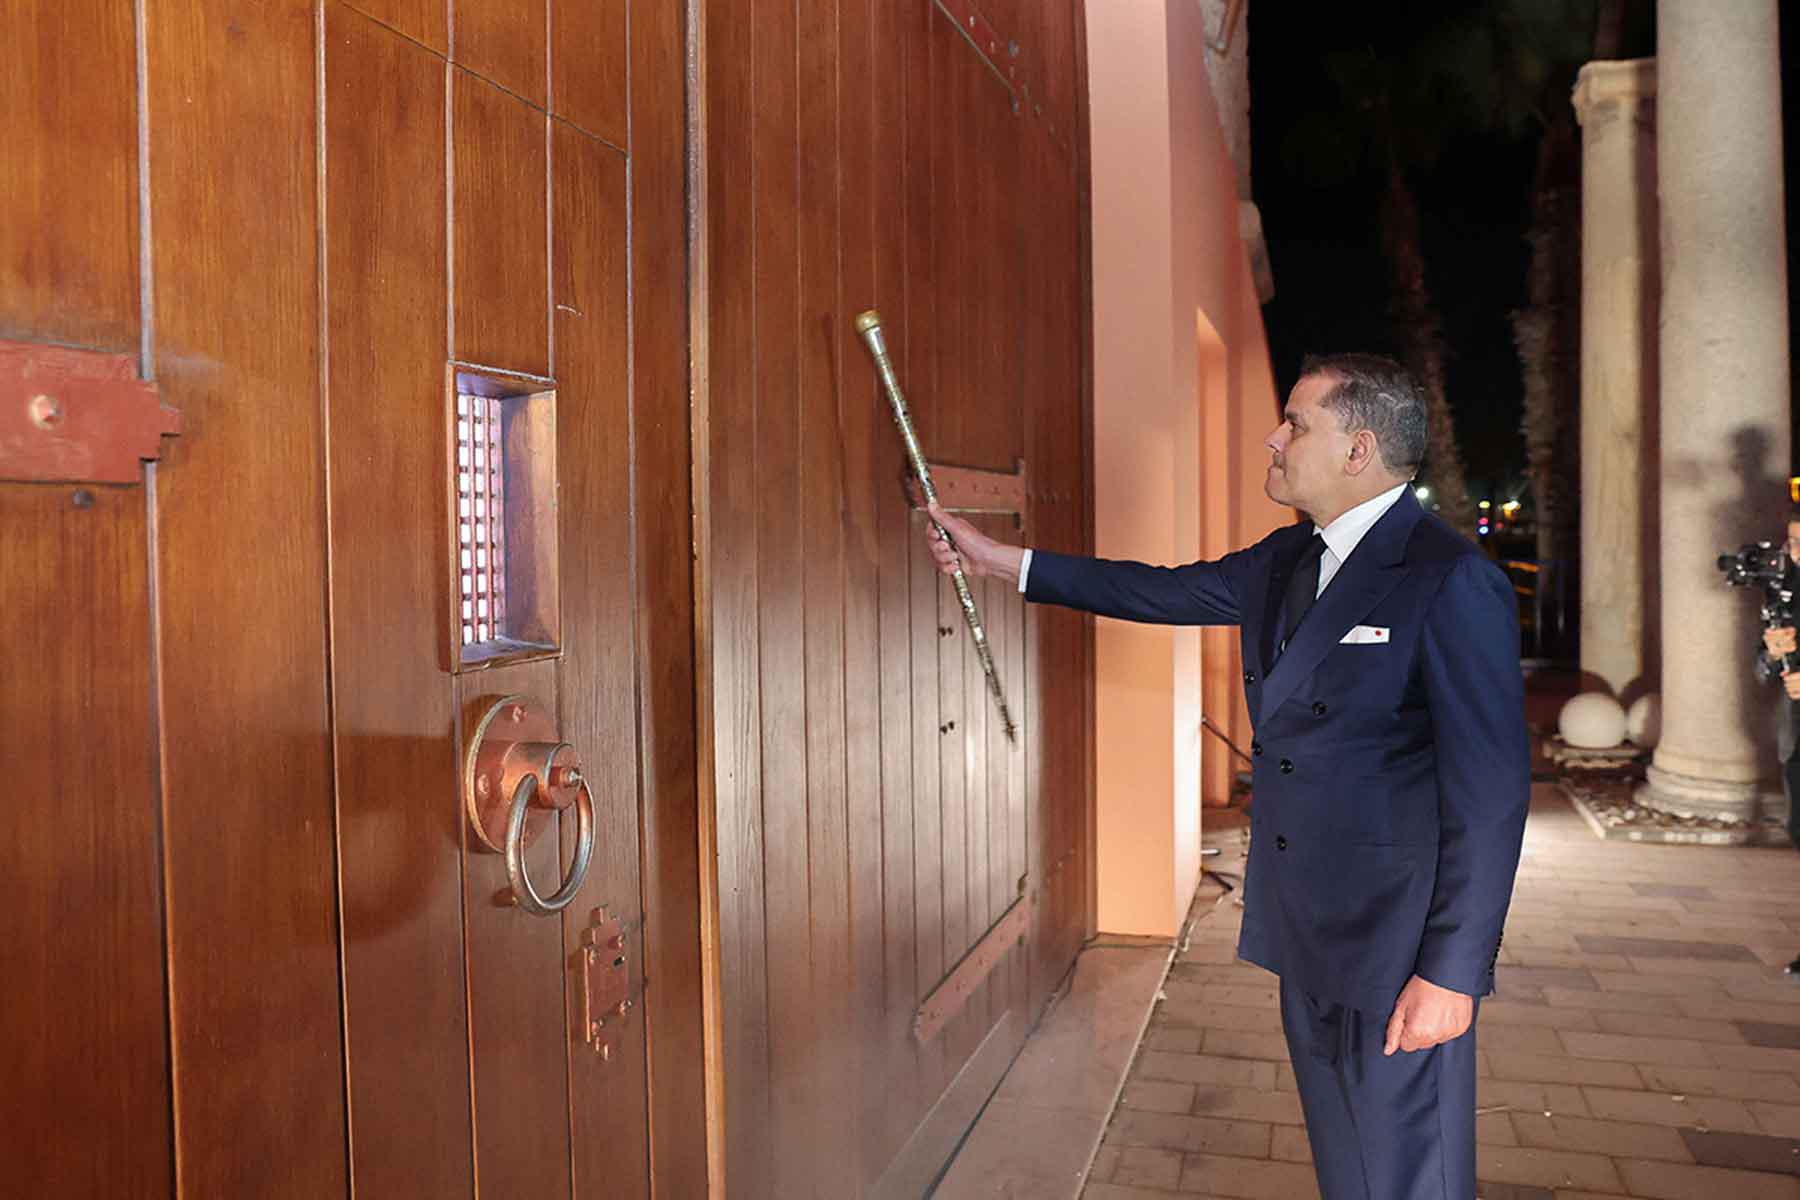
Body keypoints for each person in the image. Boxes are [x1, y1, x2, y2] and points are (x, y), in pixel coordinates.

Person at [923, 353, 1529, 1200]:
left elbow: (1491, 796)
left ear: (1359, 450)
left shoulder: (1449, 577)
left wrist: (1453, 973)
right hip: (1305, 917)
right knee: (1348, 1158)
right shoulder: (1287, 560)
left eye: (1296, 424)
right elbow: (1156, 590)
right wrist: (999, 561)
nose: (1274, 439)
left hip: (1398, 939)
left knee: (1407, 1167)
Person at [1753, 507, 1800, 977]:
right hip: (1797, 741)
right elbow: (1761, 671)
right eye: (1792, 544)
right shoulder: (1784, 600)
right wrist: (1772, 655)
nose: (1795, 554)